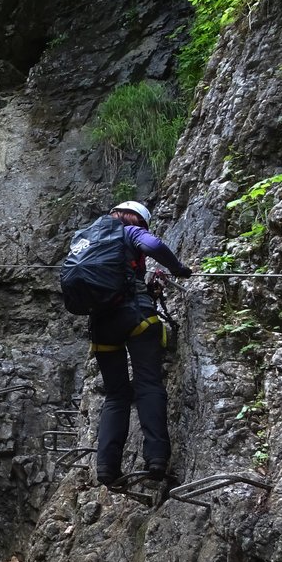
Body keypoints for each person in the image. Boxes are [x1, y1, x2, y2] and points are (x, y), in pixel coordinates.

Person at [89, 201, 193, 487]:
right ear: (134, 218)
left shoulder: (87, 237)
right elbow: (154, 245)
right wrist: (179, 268)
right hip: (136, 318)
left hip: (101, 324)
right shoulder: (130, 231)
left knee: (116, 395)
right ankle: (157, 458)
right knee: (148, 384)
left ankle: (107, 468)